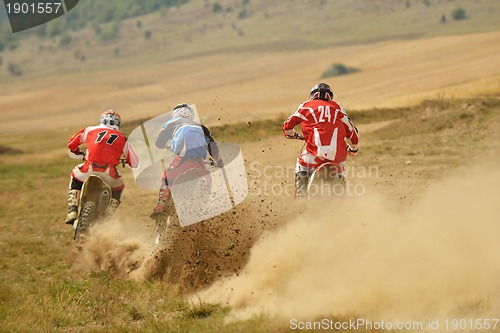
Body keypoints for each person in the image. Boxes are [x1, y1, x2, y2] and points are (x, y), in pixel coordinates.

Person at [282, 83, 359, 197]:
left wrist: (292, 134)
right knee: (341, 169)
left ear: (312, 95)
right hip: (336, 158)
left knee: (301, 164)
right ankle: (343, 202)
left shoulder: (306, 106)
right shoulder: (338, 108)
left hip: (313, 157)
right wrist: (353, 149)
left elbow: (287, 126)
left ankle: (301, 198)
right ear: (330, 96)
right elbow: (352, 132)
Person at [65, 110, 139, 225]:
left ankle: (72, 209)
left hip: (88, 169)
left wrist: (78, 152)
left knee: (75, 175)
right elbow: (134, 162)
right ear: (117, 123)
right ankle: (108, 216)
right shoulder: (122, 138)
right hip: (109, 173)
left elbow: (71, 144)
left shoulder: (90, 130)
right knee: (119, 186)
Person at [149, 103, 221, 220]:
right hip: (199, 162)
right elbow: (213, 147)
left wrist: (166, 146)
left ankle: (161, 205)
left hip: (181, 161)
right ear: (191, 115)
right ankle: (204, 209)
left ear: (175, 114)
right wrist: (219, 161)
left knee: (167, 176)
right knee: (208, 179)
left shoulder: (171, 123)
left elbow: (159, 142)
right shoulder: (201, 127)